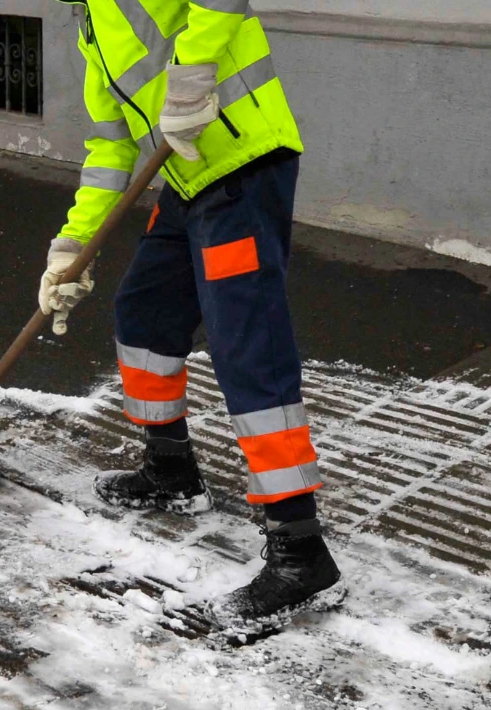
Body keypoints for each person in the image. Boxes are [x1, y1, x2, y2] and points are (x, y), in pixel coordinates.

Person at [37, 0, 347, 631]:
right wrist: (70, 250)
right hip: (186, 182)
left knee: (245, 345)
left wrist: (196, 69)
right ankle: (171, 470)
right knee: (144, 315)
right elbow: (110, 147)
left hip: (240, 166)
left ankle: (300, 548)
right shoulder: (92, 27)